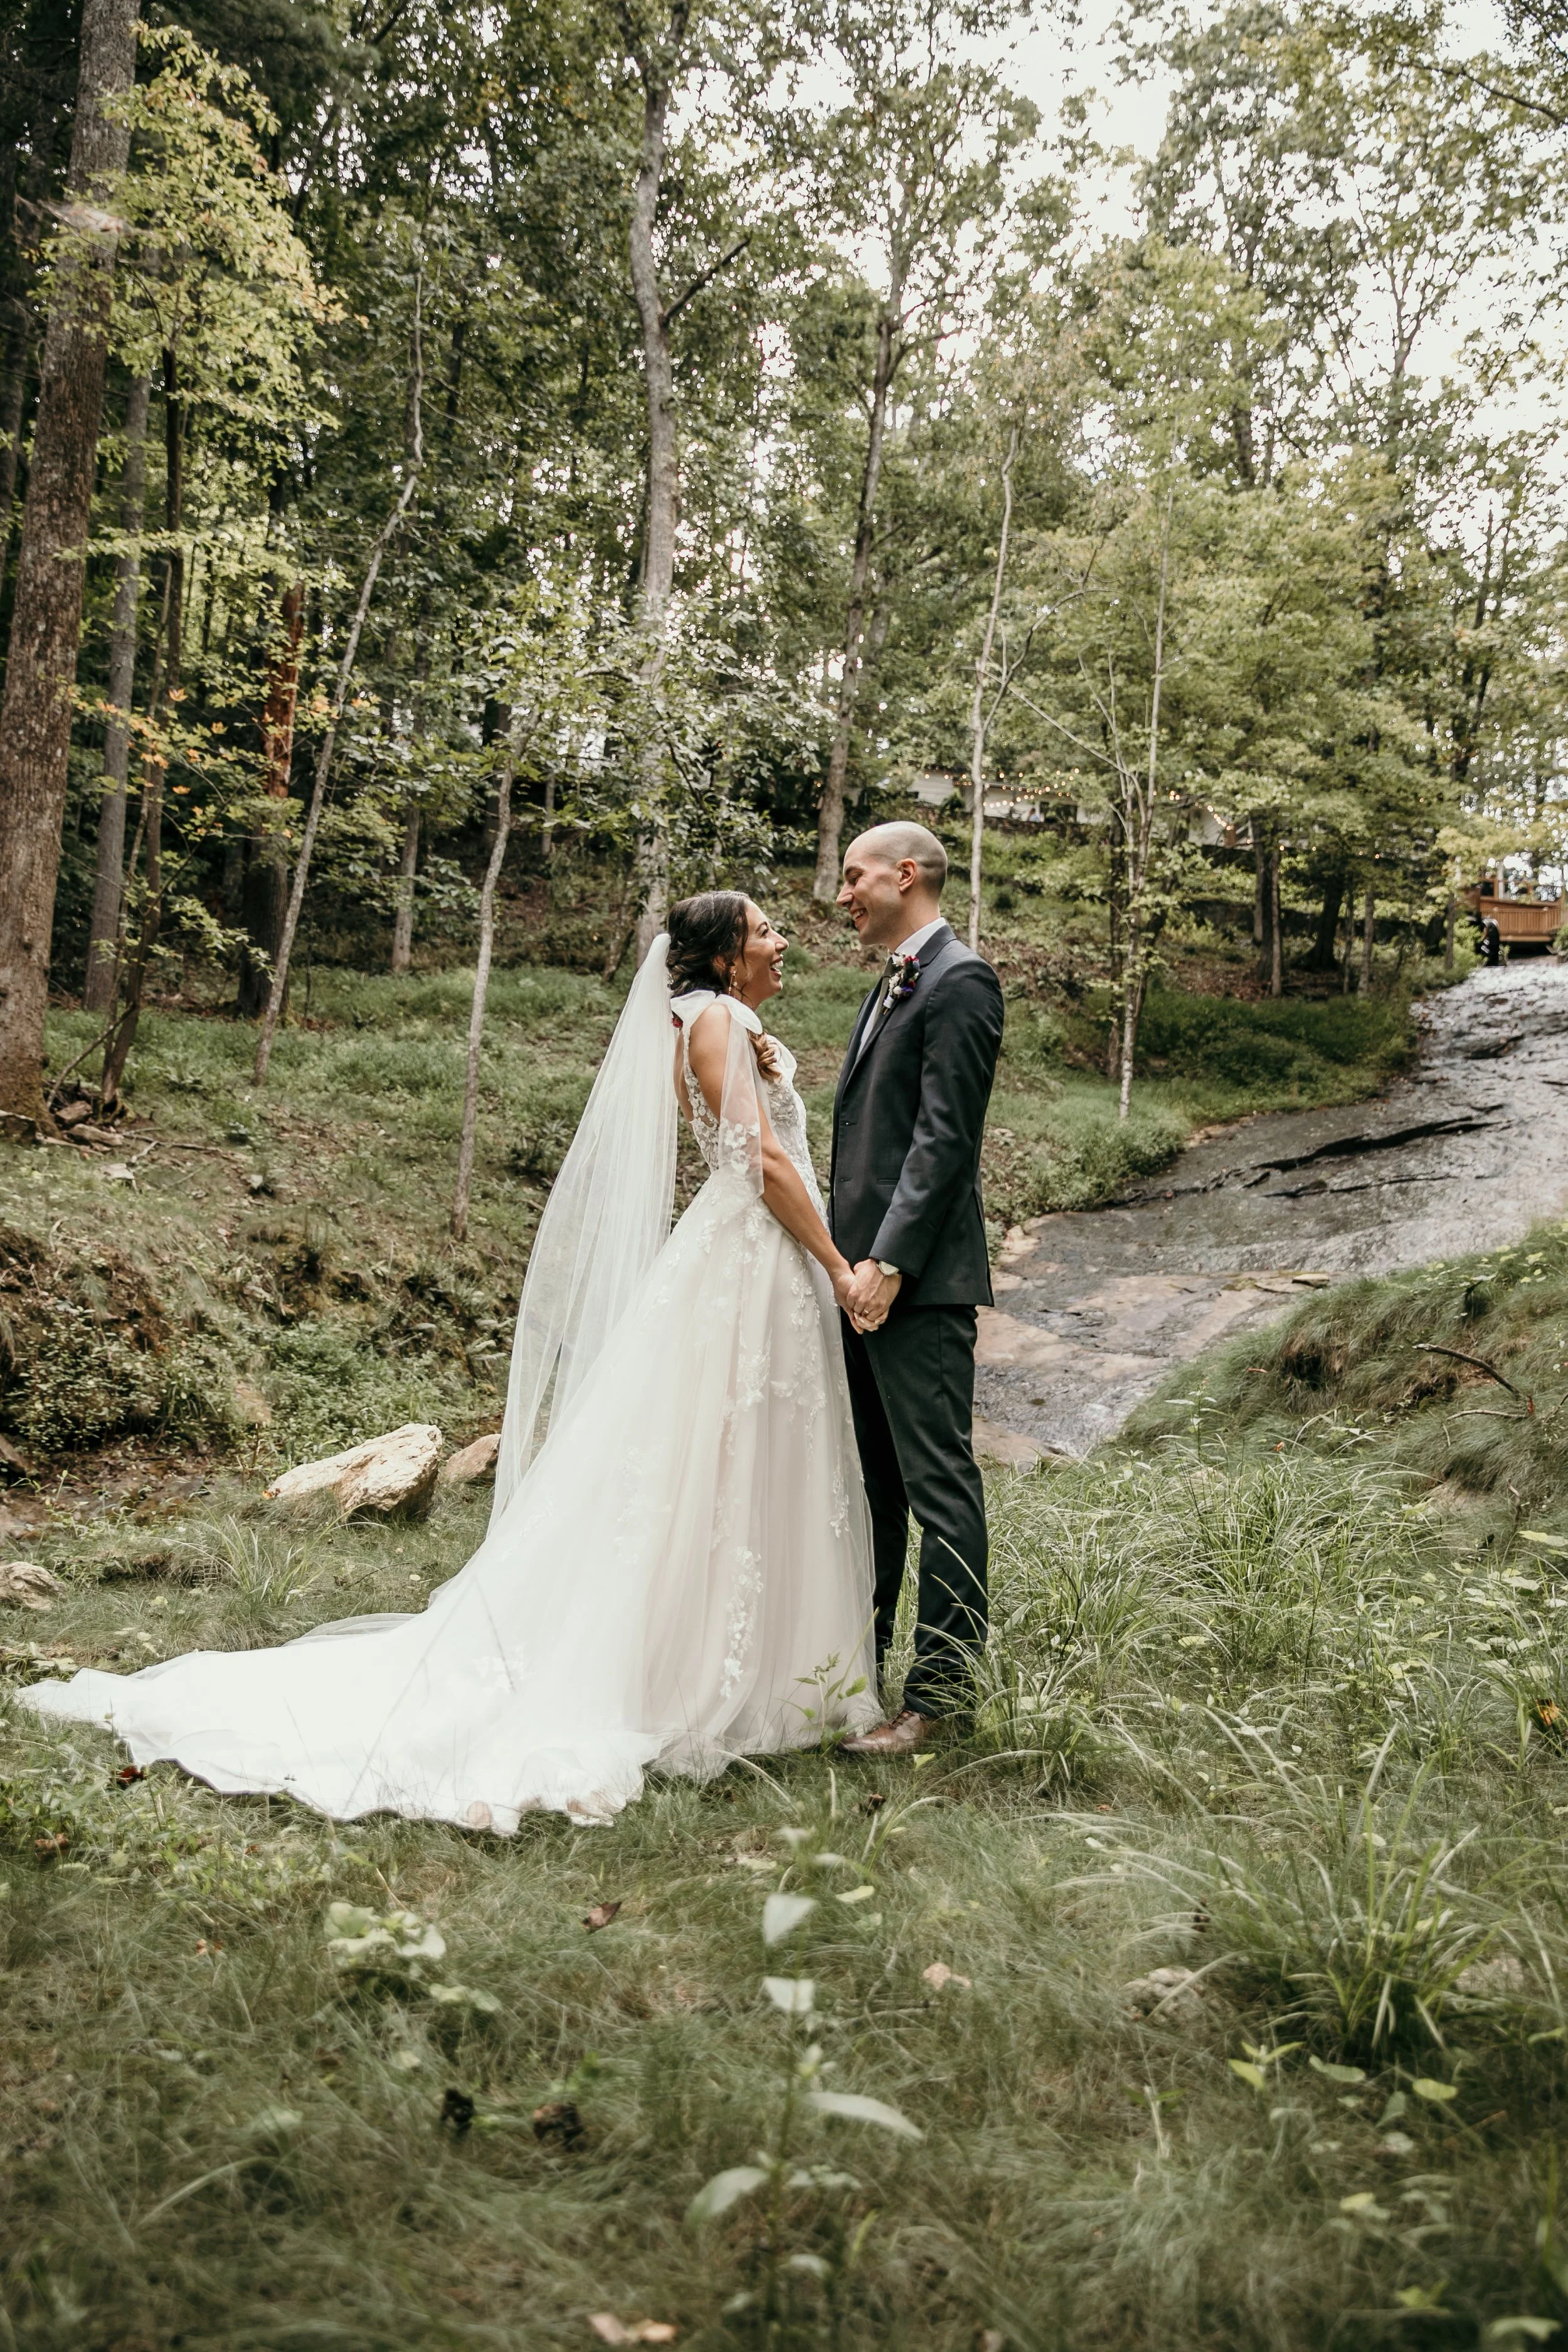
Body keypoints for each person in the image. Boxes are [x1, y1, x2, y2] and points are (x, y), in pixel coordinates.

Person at [19, 896, 878, 1826]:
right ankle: (701, 1674)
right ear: (721, 956)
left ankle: (752, 1668)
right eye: (763, 931)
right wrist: (836, 1263)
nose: (782, 940)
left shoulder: (710, 1019)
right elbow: (762, 1163)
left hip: (750, 1258)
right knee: (719, 1457)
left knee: (732, 1460)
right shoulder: (716, 1020)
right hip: (749, 1258)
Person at [829, 822, 1005, 1758]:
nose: (843, 892)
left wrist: (890, 1264)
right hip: (859, 1281)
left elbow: (945, 1140)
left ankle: (939, 1699)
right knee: (876, 1493)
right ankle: (861, 1681)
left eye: (853, 876)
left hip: (916, 1286)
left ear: (906, 874)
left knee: (940, 1488)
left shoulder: (960, 979)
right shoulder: (894, 980)